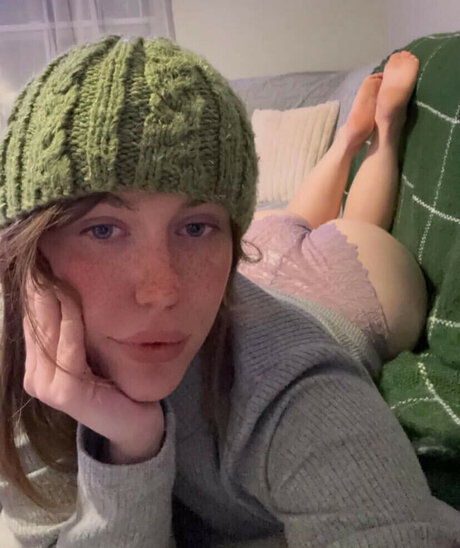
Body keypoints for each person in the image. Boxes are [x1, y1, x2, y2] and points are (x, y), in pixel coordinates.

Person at [0, 36, 458, 548]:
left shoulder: (301, 393)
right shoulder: (17, 361)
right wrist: (129, 448)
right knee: (286, 223)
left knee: (348, 231)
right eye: (103, 230)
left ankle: (379, 135)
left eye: (197, 226)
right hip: (255, 267)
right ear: (28, 251)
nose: (160, 291)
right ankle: (344, 142)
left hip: (345, 286)